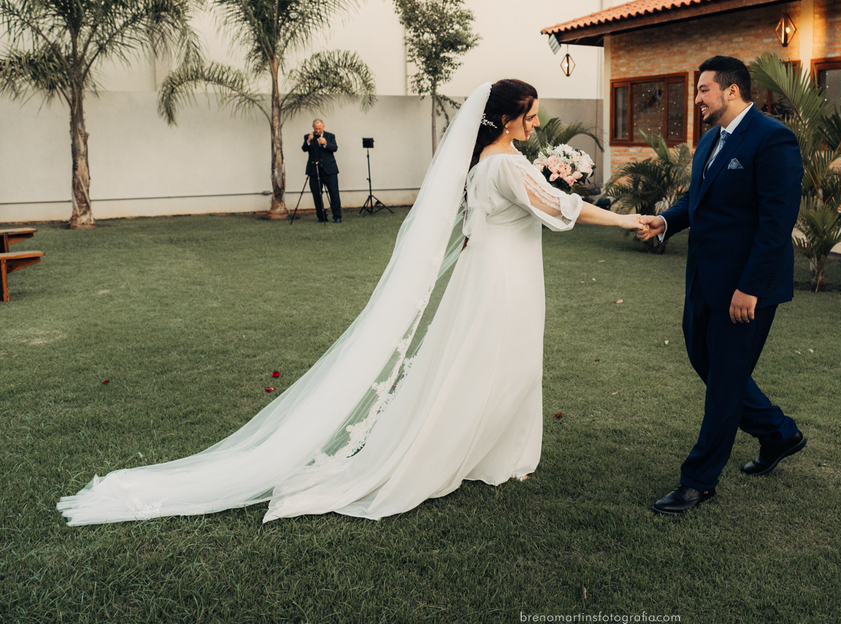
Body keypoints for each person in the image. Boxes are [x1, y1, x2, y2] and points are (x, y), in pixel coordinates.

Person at [58, 80, 645, 525]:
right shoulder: (508, 168)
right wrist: (626, 219)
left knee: (483, 364)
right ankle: (469, 453)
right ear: (509, 119)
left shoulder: (485, 166)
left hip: (489, 275)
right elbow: (562, 210)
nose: (536, 122)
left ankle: (487, 450)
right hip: (503, 282)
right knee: (497, 364)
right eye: (530, 114)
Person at [638, 55, 805, 515]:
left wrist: (749, 287)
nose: (696, 100)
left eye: (703, 90)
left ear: (732, 91)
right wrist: (665, 221)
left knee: (725, 384)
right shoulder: (710, 139)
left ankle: (699, 481)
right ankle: (778, 433)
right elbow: (698, 200)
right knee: (704, 361)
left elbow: (776, 223)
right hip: (703, 280)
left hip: (746, 289)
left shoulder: (773, 139)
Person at [302, 119, 341, 223]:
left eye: (319, 129)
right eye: (315, 129)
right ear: (313, 128)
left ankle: (337, 216)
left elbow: (335, 148)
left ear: (323, 127)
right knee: (317, 194)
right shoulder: (308, 136)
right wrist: (309, 141)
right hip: (314, 170)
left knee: (334, 193)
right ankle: (321, 216)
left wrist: (326, 143)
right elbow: (304, 148)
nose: (317, 131)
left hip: (329, 169)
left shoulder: (330, 136)